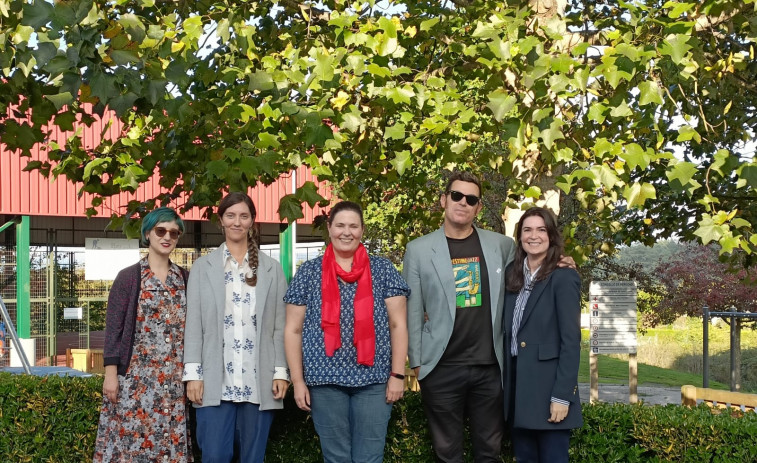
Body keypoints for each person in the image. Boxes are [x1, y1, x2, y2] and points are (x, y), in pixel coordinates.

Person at [284, 201, 409, 463]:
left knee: (370, 457)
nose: (346, 232)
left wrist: (397, 374)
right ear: (329, 228)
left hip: (374, 381)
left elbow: (398, 325)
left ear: (362, 230)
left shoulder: (383, 270)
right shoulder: (309, 272)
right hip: (324, 381)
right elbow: (293, 330)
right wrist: (298, 381)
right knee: (336, 458)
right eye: (340, 225)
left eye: (353, 226)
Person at [403, 171, 515, 462]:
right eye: (456, 195)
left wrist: (561, 261)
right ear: (443, 200)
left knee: (489, 453)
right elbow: (412, 311)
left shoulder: (502, 246)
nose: (463, 202)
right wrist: (417, 363)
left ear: (478, 207)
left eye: (471, 199)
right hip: (441, 368)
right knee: (446, 454)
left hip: (490, 369)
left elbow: (530, 277)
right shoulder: (417, 250)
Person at [182, 192, 288, 463]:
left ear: (252, 221)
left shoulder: (271, 270)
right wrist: (193, 374)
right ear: (221, 221)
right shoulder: (202, 268)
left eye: (244, 216)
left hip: (259, 381)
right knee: (215, 456)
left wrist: (280, 372)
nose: (237, 222)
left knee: (253, 458)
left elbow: (279, 326)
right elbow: (194, 324)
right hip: (215, 383)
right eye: (231, 216)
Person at [93, 207, 191, 462]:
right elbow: (114, 328)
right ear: (148, 233)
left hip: (173, 382)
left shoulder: (185, 278)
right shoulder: (129, 278)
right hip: (136, 382)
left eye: (174, 232)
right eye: (161, 230)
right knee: (132, 444)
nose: (167, 237)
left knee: (169, 443)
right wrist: (111, 374)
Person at [503, 206, 582, 463]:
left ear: (551, 235)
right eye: (527, 229)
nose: (533, 236)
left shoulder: (563, 276)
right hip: (517, 387)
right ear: (520, 235)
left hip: (549, 390)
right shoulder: (511, 274)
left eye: (541, 229)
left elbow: (571, 342)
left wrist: (562, 395)